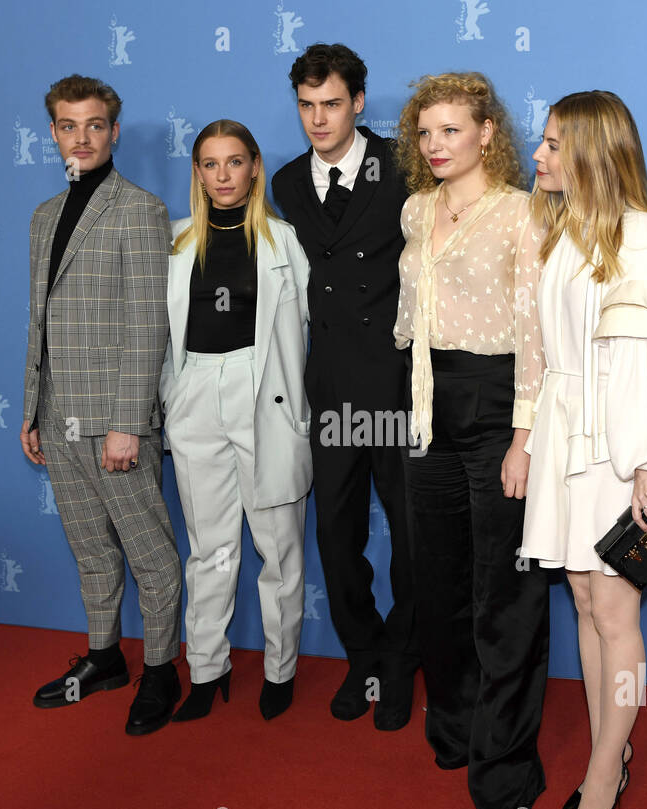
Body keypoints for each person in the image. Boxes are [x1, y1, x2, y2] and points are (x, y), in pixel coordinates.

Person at [520, 91, 647, 809]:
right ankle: (615, 745)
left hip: (618, 448)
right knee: (580, 595)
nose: (538, 155)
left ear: (593, 152)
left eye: (551, 144)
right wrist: (534, 438)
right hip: (567, 439)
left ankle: (603, 773)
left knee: (615, 610)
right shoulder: (564, 228)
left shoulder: (635, 233)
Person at [393, 72, 550, 809]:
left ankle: (506, 769)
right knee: (438, 586)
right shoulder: (416, 211)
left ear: (488, 133)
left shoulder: (524, 214)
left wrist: (523, 438)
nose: (435, 144)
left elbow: (534, 338)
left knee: (505, 598)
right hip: (426, 411)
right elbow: (408, 324)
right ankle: (454, 732)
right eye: (426, 132)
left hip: (496, 413)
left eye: (451, 130)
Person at [21, 74, 184, 736]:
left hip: (115, 422)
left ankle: (163, 669)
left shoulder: (140, 210)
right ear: (53, 132)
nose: (81, 137)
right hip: (58, 416)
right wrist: (32, 407)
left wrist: (127, 424)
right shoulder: (41, 217)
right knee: (90, 548)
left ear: (114, 132)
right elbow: (39, 320)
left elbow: (149, 325)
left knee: (148, 552)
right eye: (68, 125)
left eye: (94, 125)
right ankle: (103, 658)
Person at [272, 44, 417, 730]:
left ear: (359, 101)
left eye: (331, 103)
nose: (318, 119)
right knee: (336, 532)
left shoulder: (407, 168)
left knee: (413, 534)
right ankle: (362, 653)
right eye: (306, 105)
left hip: (393, 385)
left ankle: (401, 658)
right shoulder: (287, 183)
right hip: (329, 388)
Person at [159, 120, 312, 722]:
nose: (223, 175)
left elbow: (307, 332)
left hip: (266, 396)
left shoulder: (283, 240)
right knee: (210, 548)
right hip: (196, 392)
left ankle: (280, 669)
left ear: (254, 168)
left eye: (235, 162)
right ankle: (206, 667)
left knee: (279, 547)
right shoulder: (173, 244)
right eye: (210, 164)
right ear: (197, 172)